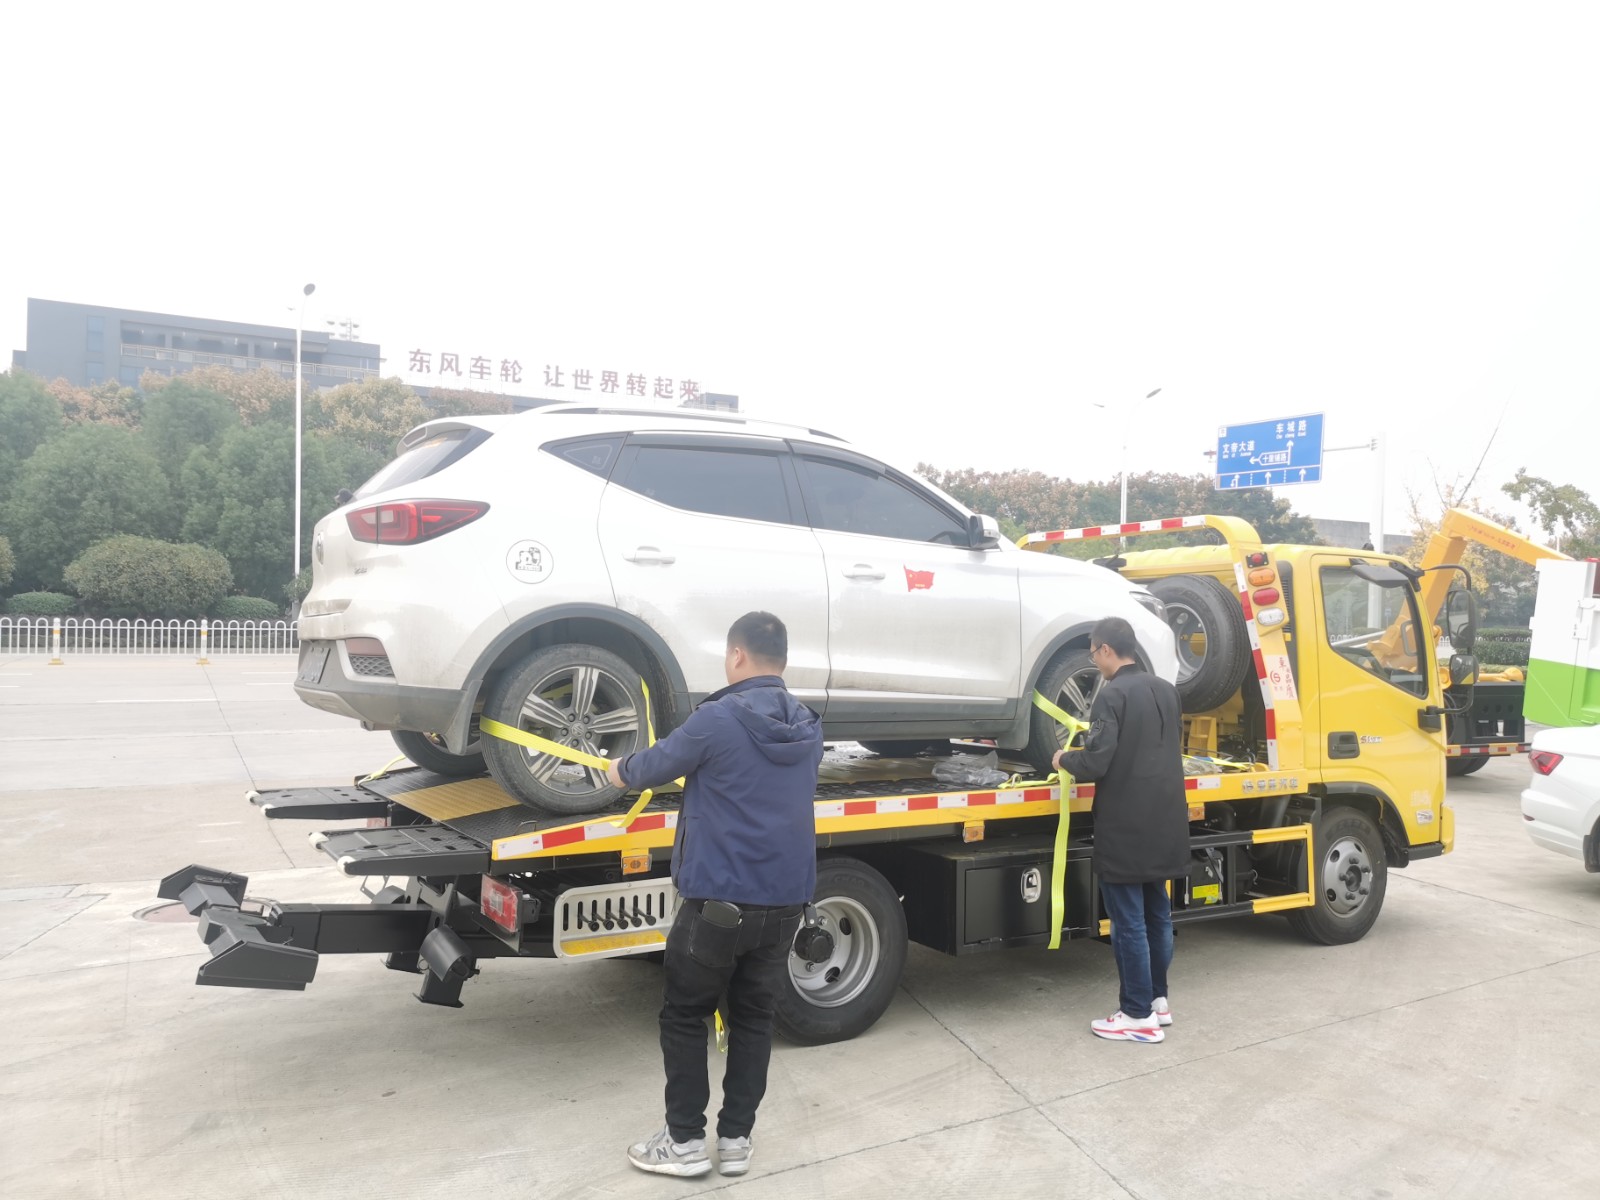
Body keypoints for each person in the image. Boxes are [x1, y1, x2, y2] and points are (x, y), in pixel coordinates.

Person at [608, 611, 823, 1178]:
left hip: (717, 909)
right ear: (783, 660)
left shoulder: (718, 719)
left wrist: (617, 769)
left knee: (685, 1014)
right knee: (754, 1019)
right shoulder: (808, 726)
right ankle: (735, 1143)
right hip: (784, 906)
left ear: (736, 655)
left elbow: (651, 768)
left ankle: (683, 1143)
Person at [1053, 615, 1189, 1044]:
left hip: (1126, 826)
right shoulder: (1167, 691)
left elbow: (1097, 762)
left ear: (1106, 650)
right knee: (1157, 915)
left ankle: (1135, 1015)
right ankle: (1157, 1002)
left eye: (1094, 652)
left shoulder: (1111, 695)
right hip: (1166, 820)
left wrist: (1063, 759)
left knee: (1129, 923)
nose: (1094, 660)